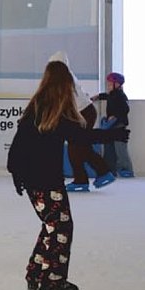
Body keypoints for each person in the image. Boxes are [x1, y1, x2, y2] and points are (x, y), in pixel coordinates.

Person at [7, 61, 129, 290]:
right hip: (47, 181)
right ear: (65, 84)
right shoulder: (55, 110)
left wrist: (17, 174)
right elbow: (79, 136)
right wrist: (111, 135)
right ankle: (52, 282)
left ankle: (36, 273)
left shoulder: (37, 106)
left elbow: (18, 144)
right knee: (61, 228)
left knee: (52, 226)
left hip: (35, 181)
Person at [48, 52, 116, 192]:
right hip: (84, 112)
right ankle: (100, 173)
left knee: (76, 147)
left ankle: (84, 179)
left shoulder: (64, 79)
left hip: (83, 113)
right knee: (80, 146)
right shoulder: (66, 77)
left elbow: (63, 102)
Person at [92, 72, 134, 177]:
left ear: (117, 85)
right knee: (109, 149)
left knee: (120, 150)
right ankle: (110, 170)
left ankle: (126, 170)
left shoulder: (121, 95)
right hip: (111, 127)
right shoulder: (112, 95)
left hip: (119, 126)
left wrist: (115, 116)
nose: (108, 86)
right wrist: (97, 97)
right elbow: (106, 96)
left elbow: (125, 109)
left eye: (110, 84)